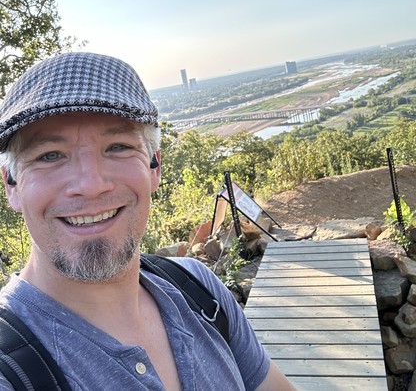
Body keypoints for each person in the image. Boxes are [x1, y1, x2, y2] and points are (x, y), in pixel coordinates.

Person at [0, 52, 296, 390]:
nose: (91, 184)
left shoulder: (198, 289)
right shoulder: (11, 371)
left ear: (154, 166)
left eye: (117, 147)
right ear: (12, 184)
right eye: (49, 155)